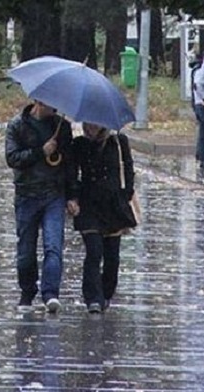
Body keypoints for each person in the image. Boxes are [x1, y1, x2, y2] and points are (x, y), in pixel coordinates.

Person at [5, 100, 74, 314]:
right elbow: (13, 158)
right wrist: (40, 152)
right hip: (27, 195)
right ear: (37, 102)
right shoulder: (17, 125)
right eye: (48, 104)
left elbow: (69, 163)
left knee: (53, 245)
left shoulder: (61, 127)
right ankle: (27, 292)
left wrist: (72, 195)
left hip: (54, 194)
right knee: (26, 248)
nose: (53, 108)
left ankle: (51, 293)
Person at [67, 123, 135, 314]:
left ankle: (106, 294)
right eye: (88, 123)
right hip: (89, 205)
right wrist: (72, 197)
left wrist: (126, 195)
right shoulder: (79, 144)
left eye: (96, 123)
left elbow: (128, 170)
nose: (92, 127)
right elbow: (72, 173)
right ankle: (92, 298)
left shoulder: (119, 142)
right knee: (94, 251)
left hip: (113, 206)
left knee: (112, 257)